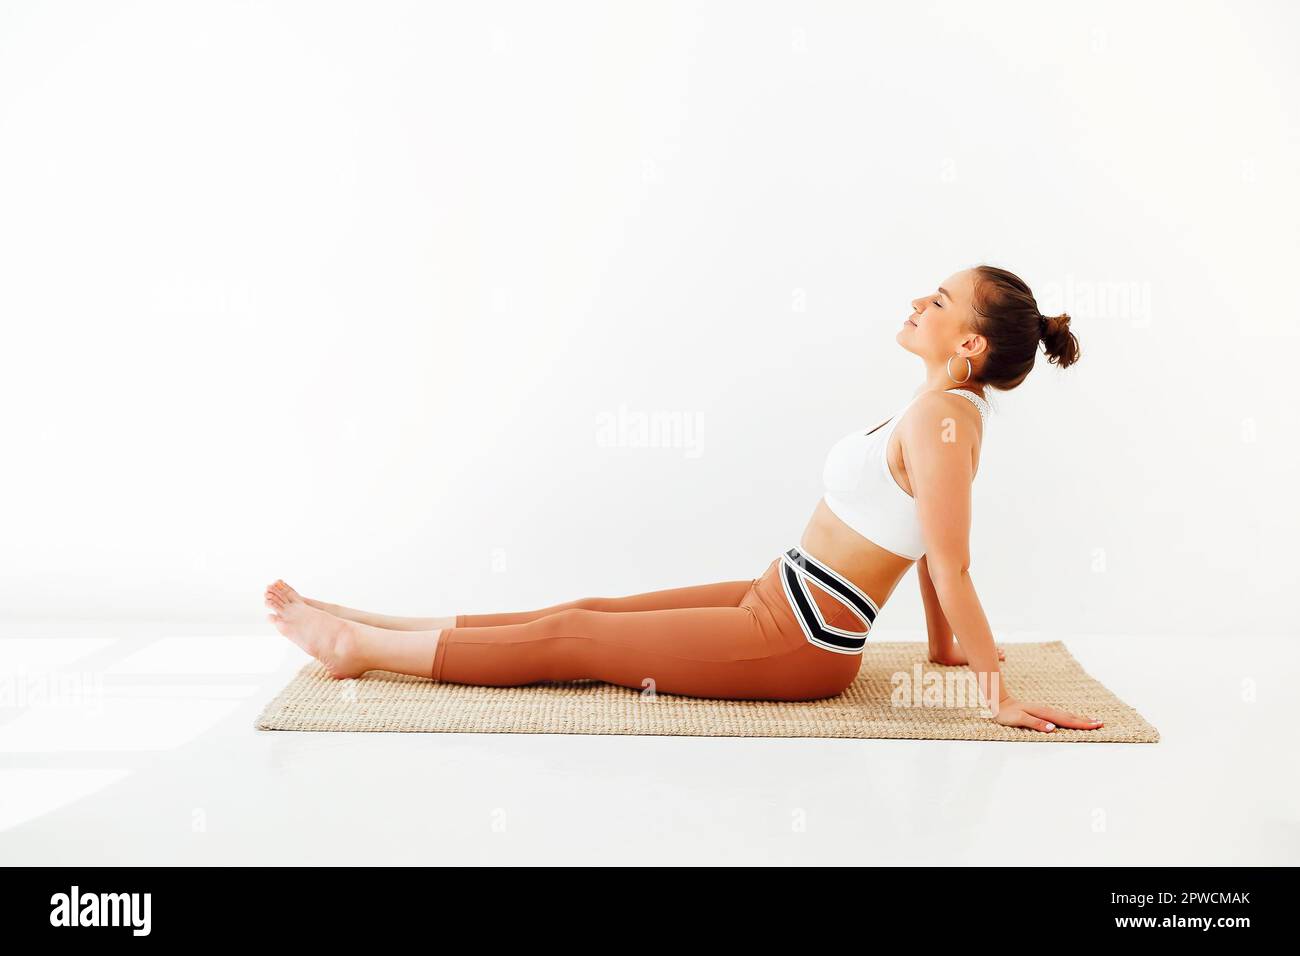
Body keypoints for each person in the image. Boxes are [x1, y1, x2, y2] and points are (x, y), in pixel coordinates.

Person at [265, 264, 1103, 733]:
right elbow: (930, 542)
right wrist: (945, 656)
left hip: (800, 642)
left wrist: (992, 689)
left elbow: (952, 563)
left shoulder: (946, 422)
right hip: (772, 595)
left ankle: (358, 648)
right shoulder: (936, 411)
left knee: (575, 639)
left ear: (968, 344)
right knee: (585, 608)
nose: (917, 301)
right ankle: (374, 623)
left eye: (938, 300)